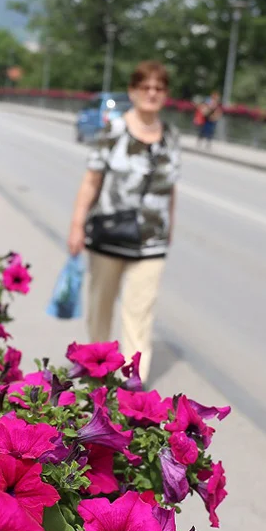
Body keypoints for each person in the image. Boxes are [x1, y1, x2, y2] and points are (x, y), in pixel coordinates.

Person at [67, 61, 182, 381]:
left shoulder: (171, 136)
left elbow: (170, 187)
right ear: (133, 91)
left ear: (166, 95)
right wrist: (77, 225)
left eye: (158, 88)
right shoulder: (113, 131)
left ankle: (133, 384)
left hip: (152, 240)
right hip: (109, 235)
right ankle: (97, 376)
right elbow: (91, 181)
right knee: (100, 309)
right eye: (145, 87)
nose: (152, 93)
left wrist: (170, 226)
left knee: (140, 314)